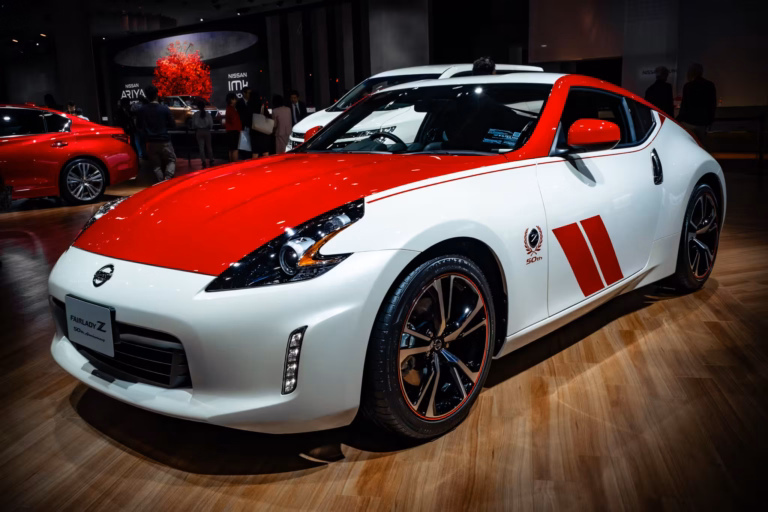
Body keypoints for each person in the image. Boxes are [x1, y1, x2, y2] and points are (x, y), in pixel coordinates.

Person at [136, 84, 177, 181]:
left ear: (146, 96)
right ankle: (168, 178)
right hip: (164, 141)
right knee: (171, 160)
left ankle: (161, 183)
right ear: (157, 95)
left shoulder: (142, 110)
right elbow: (173, 125)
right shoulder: (164, 109)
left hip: (150, 142)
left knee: (155, 166)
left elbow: (139, 126)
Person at [677, 63, 717, 148]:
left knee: (689, 145)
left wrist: (679, 119)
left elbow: (685, 105)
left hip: (689, 121)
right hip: (702, 122)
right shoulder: (709, 85)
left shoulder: (688, 86)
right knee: (702, 146)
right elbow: (712, 104)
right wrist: (710, 121)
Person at [190, 99, 214, 168]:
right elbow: (211, 124)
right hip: (207, 131)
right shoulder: (208, 114)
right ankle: (211, 159)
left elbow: (193, 124)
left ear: (198, 106)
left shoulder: (195, 114)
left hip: (199, 131)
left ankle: (203, 161)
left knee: (201, 147)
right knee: (209, 146)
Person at [250, 92, 271, 158]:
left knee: (255, 152)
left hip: (254, 133)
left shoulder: (249, 107)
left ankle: (255, 167)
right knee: (265, 152)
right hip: (263, 132)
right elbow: (268, 116)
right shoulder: (262, 107)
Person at [224, 92, 242, 162]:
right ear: (231, 100)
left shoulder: (228, 108)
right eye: (234, 99)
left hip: (230, 131)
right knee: (235, 149)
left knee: (231, 149)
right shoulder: (231, 109)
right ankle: (235, 164)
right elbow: (234, 120)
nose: (236, 100)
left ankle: (231, 163)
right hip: (234, 131)